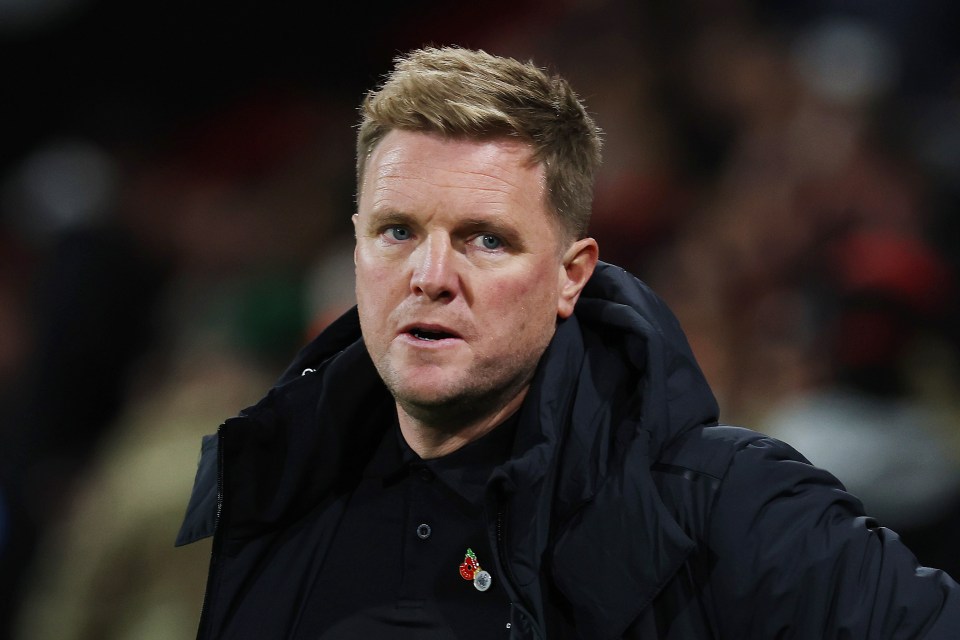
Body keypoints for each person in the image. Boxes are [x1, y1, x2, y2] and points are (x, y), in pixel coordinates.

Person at [176, 46, 960, 639]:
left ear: (570, 276)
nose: (430, 276)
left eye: (485, 240)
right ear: (355, 250)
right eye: (397, 232)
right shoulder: (278, 495)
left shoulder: (731, 507)